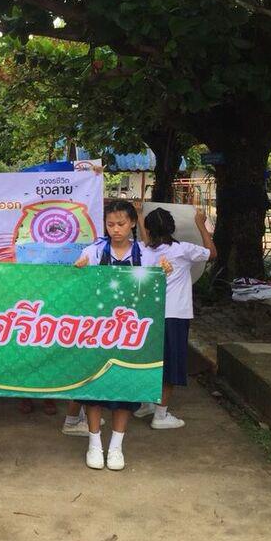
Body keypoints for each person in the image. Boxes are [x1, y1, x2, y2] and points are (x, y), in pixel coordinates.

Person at [73, 200, 169, 470]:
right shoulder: (92, 252)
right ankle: (94, 444)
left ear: (133, 224)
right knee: (94, 387)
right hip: (96, 332)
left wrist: (164, 272)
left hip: (131, 333)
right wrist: (78, 272)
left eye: (121, 224)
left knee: (125, 388)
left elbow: (155, 292)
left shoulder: (147, 256)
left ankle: (116, 446)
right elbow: (77, 290)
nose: (115, 229)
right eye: (110, 224)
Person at [134, 208, 216, 429]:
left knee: (149, 360)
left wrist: (139, 217)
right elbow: (212, 253)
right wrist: (200, 224)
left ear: (149, 229)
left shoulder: (142, 251)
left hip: (149, 316)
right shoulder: (183, 250)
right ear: (172, 228)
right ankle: (160, 415)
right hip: (175, 315)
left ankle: (145, 404)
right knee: (171, 363)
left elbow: (148, 241)